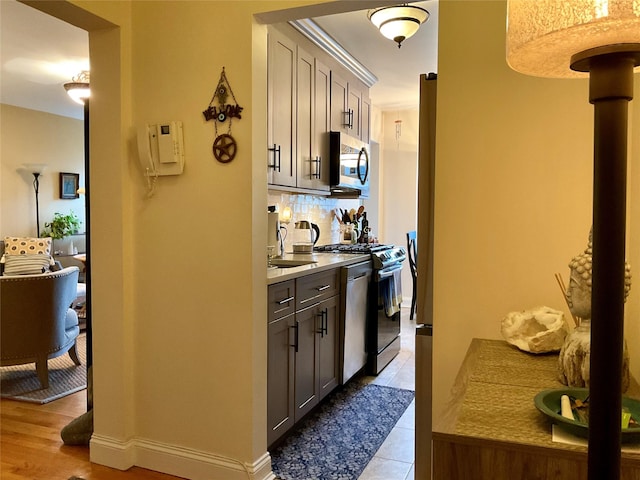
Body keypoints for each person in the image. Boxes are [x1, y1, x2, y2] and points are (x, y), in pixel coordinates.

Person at [558, 230, 632, 391]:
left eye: (573, 285)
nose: (567, 292)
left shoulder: (604, 342)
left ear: (599, 293)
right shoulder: (576, 336)